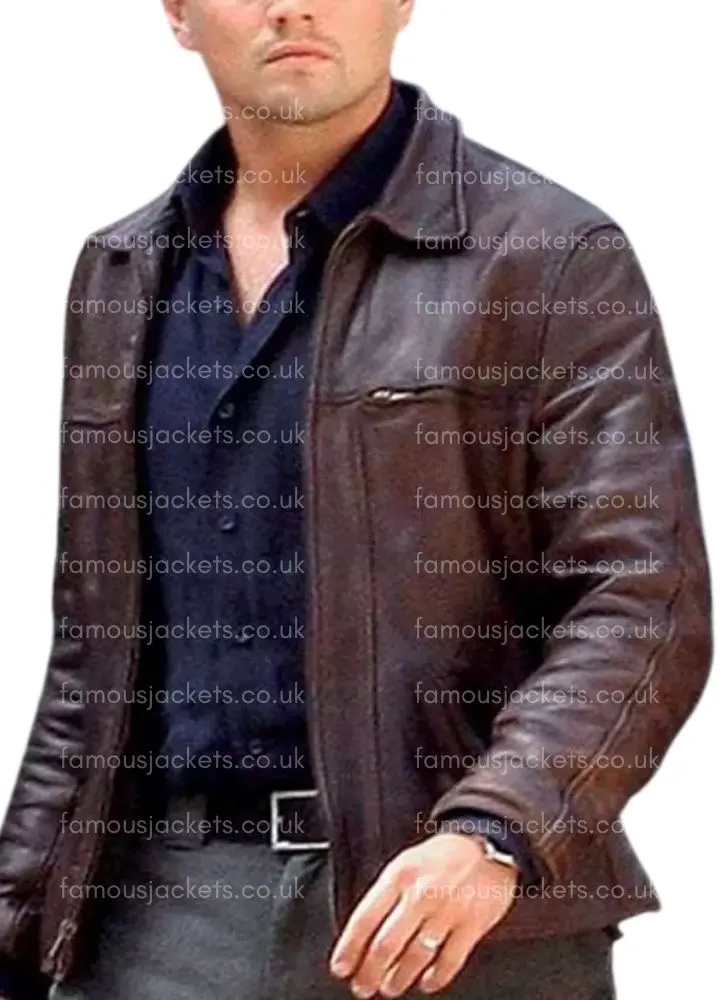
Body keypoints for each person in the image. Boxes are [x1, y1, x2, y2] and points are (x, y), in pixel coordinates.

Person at [0, 2, 711, 999]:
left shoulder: (548, 255)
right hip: (154, 916)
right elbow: (91, 653)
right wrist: (21, 914)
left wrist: (496, 829)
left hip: (456, 921)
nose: (293, 5)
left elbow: (642, 599)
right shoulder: (122, 272)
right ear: (177, 13)